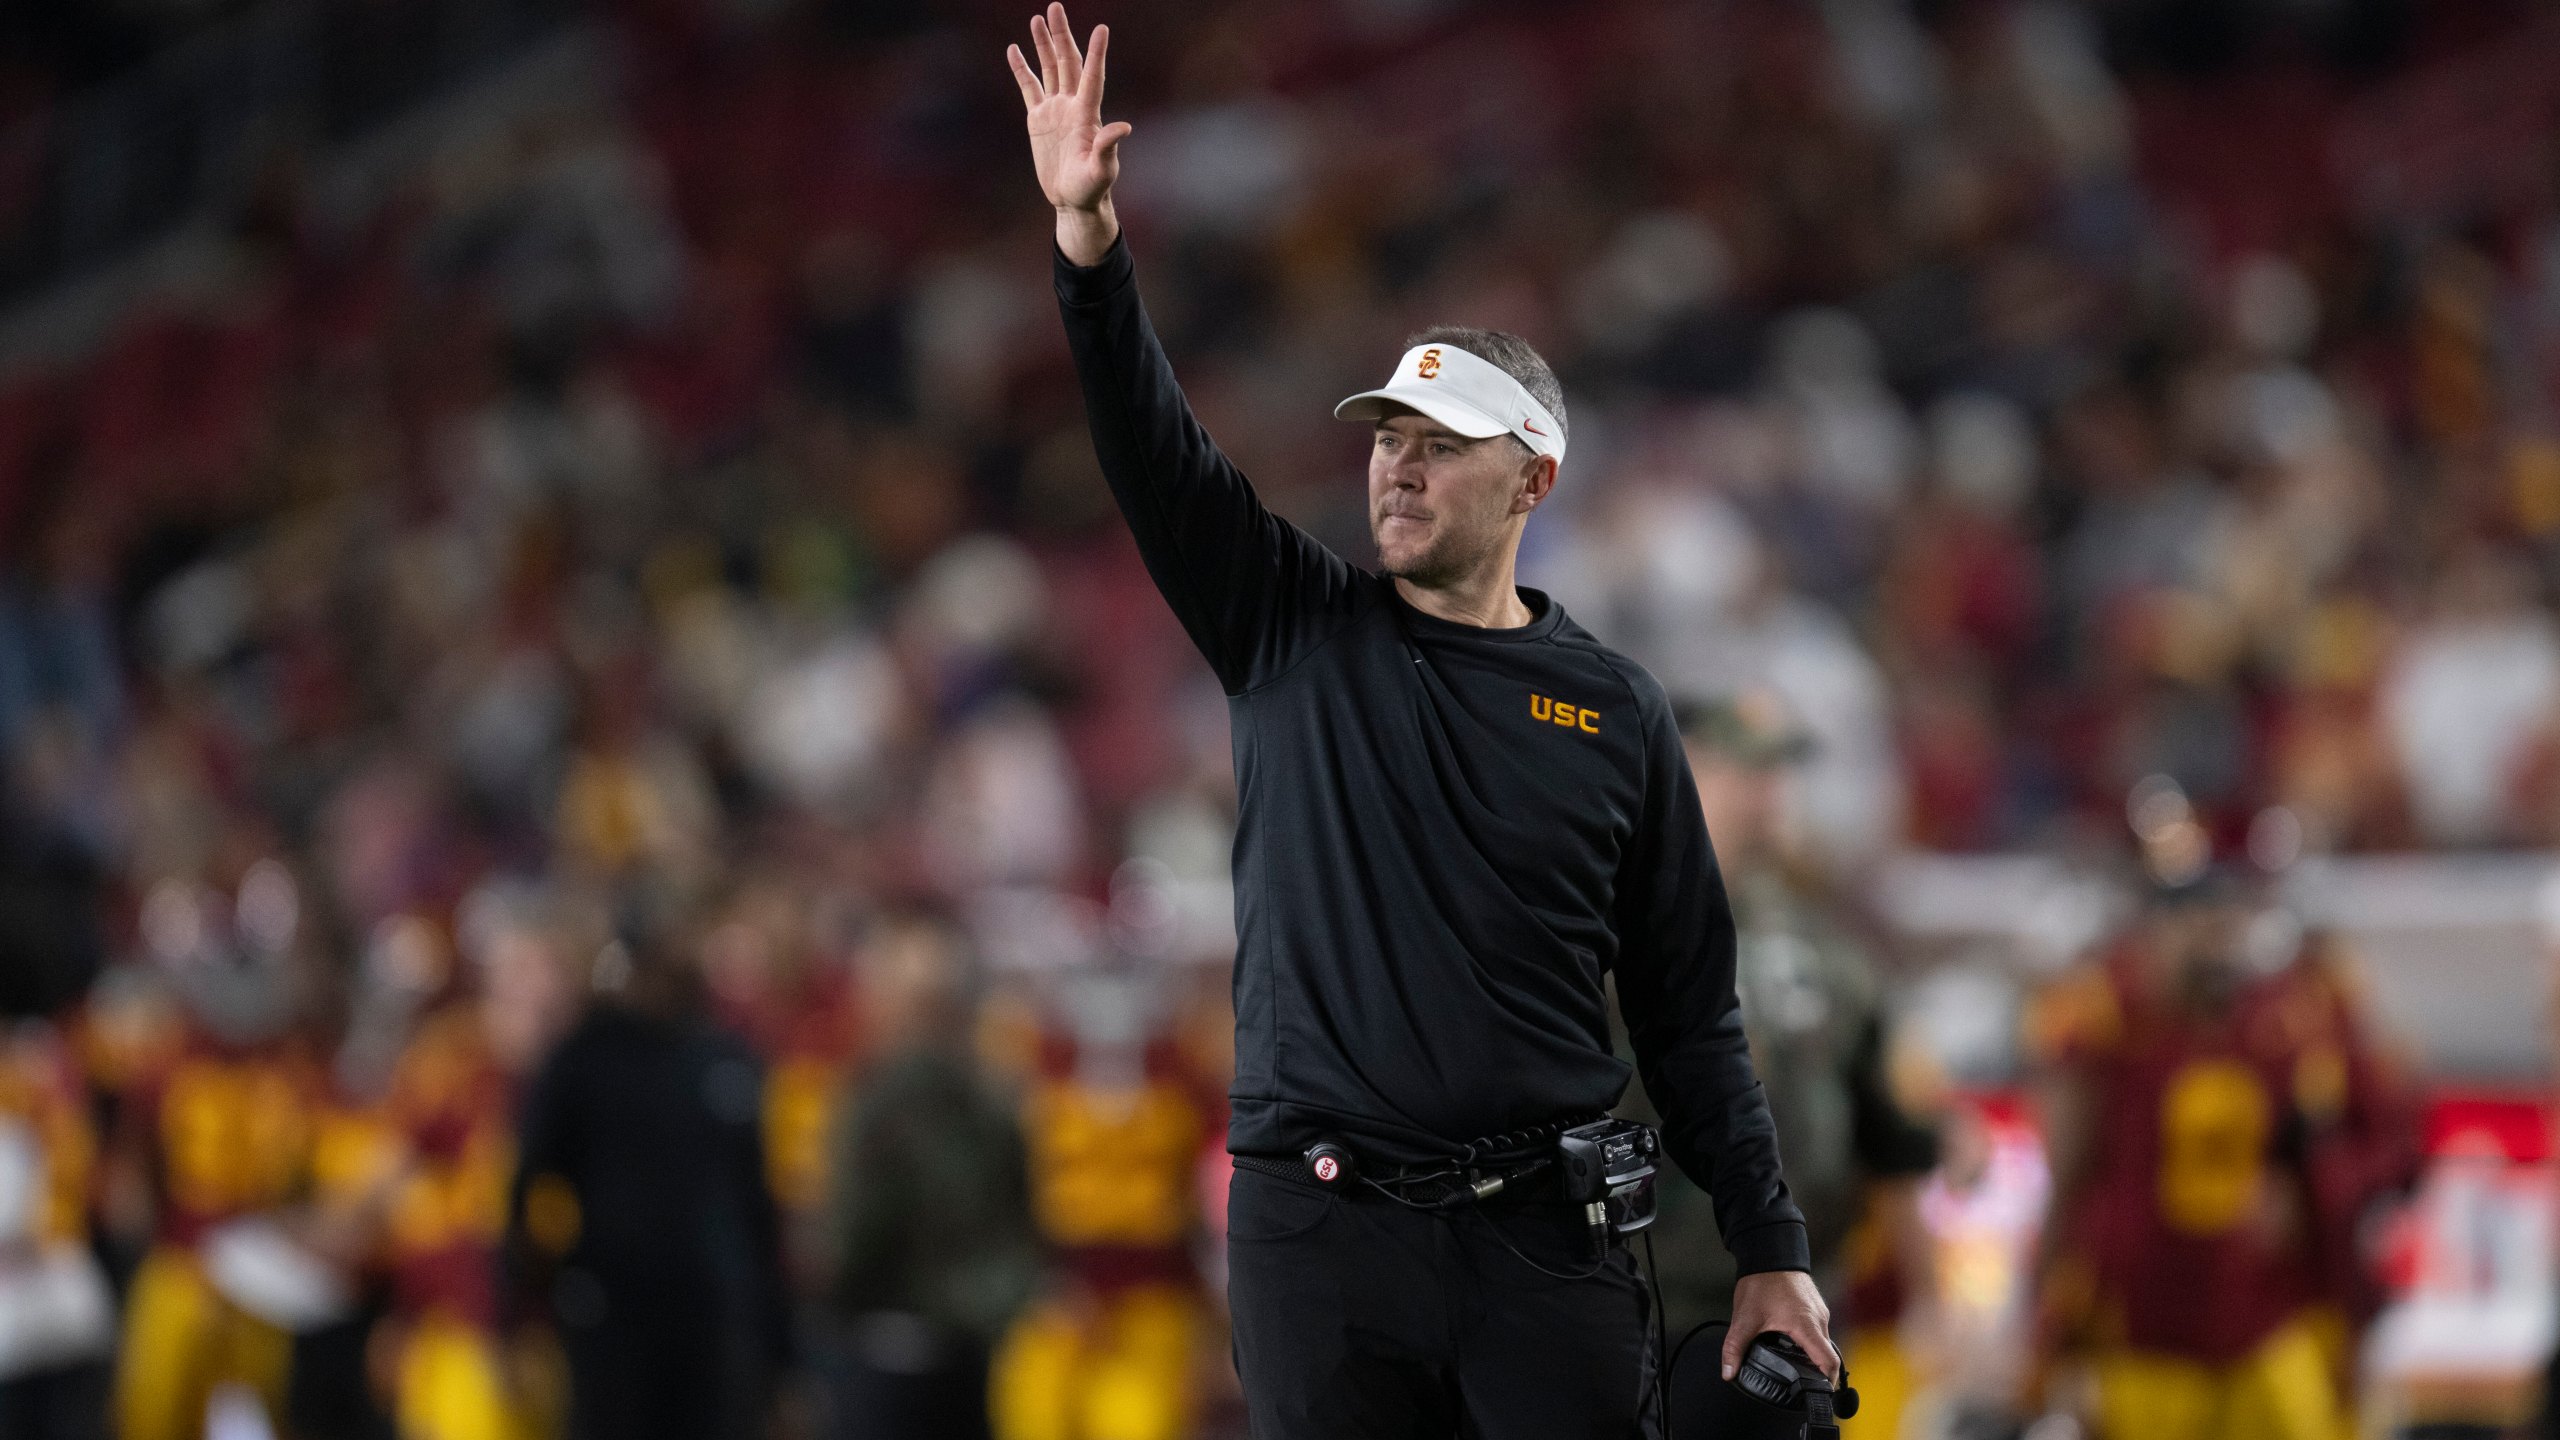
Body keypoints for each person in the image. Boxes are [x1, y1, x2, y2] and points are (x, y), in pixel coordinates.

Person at [1005, 9, 1828, 1433]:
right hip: (1321, 1242)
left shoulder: (1616, 712)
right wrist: (1090, 253)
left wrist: (1772, 1247)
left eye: (1440, 445)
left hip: (1547, 1243)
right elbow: (1154, 452)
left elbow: (1691, 1017)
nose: (1397, 466)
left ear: (1534, 481)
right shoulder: (1290, 630)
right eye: (1388, 435)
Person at [1625, 693, 1939, 1432]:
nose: (1770, 793)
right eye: (1748, 767)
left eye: (1779, 771)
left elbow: (1886, 1129)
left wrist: (1931, 1295)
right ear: (1682, 765)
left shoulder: (1819, 937)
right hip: (1656, 1304)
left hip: (1801, 1306)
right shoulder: (1611, 919)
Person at [2028, 871, 2346, 1440]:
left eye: (2224, 931)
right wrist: (2043, 1307)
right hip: (2147, 1328)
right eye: (2196, 930)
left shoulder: (2270, 1021)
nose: (2213, 949)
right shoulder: (2109, 1020)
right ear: (2152, 935)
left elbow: (2304, 1150)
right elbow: (2069, 1169)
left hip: (2256, 1315)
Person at [502, 890, 790, 1440]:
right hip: (612, 1317)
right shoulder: (585, 1059)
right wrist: (517, 1312)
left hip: (711, 1318)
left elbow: (755, 1209)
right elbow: (527, 1188)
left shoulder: (722, 1059)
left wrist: (778, 1351)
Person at [825, 911, 1038, 1440]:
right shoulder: (972, 1102)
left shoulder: (952, 1107)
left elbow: (851, 1239)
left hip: (936, 1353)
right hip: (915, 1349)